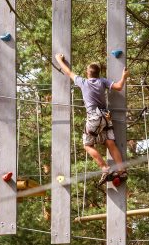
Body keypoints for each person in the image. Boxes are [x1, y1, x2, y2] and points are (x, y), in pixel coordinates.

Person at [55, 53, 129, 185]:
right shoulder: (102, 81)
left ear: (87, 73)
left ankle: (105, 168)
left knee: (87, 145)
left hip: (94, 117)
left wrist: (59, 60)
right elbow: (118, 87)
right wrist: (123, 77)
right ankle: (122, 171)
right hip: (106, 117)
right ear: (98, 74)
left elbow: (68, 72)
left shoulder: (82, 82)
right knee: (110, 143)